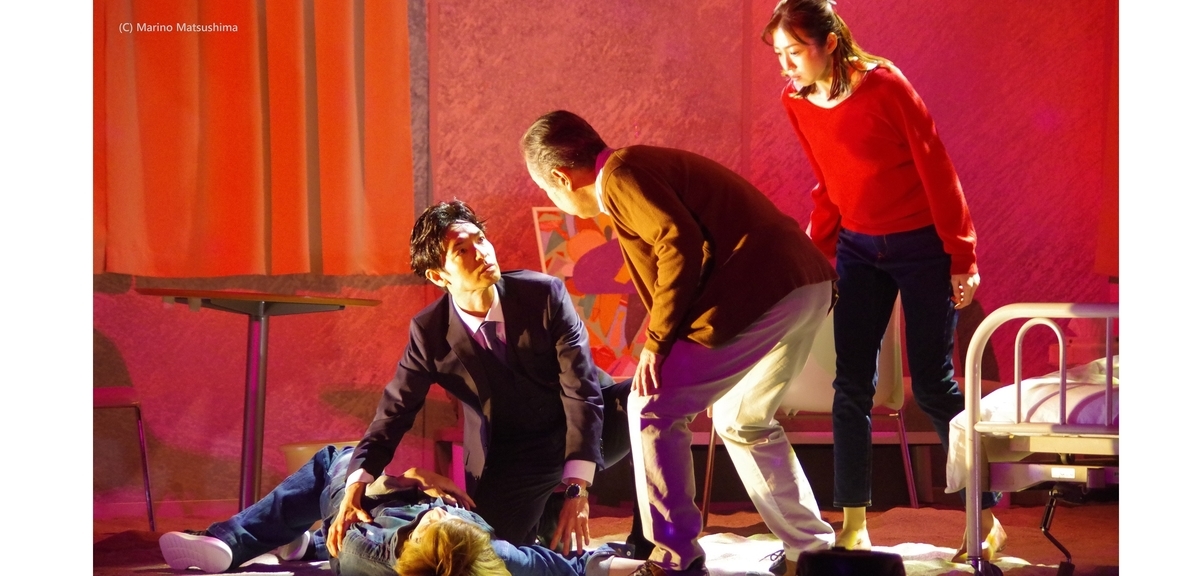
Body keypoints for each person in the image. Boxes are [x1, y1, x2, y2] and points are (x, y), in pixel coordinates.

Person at [521, 110, 840, 576]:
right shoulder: (633, 169)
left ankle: (676, 557)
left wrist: (657, 342)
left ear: (560, 178)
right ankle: (810, 550)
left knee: (652, 403)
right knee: (743, 420)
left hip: (765, 289)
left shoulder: (621, 175)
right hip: (804, 284)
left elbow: (678, 242)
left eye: (547, 189)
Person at [761, 0, 1003, 561]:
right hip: (857, 251)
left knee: (936, 385)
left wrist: (962, 257)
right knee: (851, 386)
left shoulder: (886, 86)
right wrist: (819, 255)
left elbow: (937, 168)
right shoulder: (796, 100)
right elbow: (827, 183)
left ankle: (985, 517)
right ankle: (854, 524)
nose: (787, 65)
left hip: (922, 248)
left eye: (795, 51)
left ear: (829, 42)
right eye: (779, 55)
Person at [332, 200, 649, 560]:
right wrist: (355, 486)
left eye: (481, 239)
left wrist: (578, 487)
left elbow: (581, 389)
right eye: (462, 250)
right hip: (515, 453)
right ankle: (547, 519)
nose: (481, 252)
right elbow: (393, 414)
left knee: (650, 398)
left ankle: (651, 545)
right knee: (489, 553)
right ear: (438, 276)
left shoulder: (544, 294)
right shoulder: (429, 332)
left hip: (597, 422)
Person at [158, 444, 644, 575]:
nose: (442, 508)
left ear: (408, 538)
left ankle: (233, 538)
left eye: (435, 517)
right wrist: (651, 566)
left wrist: (405, 480)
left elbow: (356, 507)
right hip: (374, 541)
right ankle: (296, 538)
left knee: (337, 459)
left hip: (354, 520)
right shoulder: (499, 560)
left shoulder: (365, 546)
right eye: (455, 515)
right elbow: (578, 567)